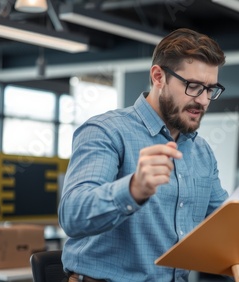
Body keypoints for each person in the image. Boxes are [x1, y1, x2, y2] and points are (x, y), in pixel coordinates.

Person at [58, 28, 229, 282]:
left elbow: (224, 225)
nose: (204, 101)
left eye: (210, 89)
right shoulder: (107, 131)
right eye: (194, 87)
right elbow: (73, 215)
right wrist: (133, 188)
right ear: (159, 77)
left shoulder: (201, 151)